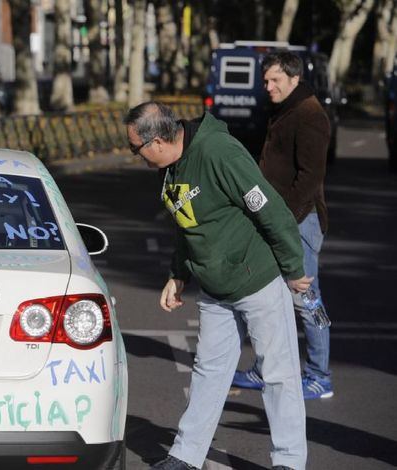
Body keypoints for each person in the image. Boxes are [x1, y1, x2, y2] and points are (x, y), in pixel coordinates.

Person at [124, 102, 310, 470]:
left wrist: (292, 268)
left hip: (255, 278)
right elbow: (185, 222)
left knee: (277, 373)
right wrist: (178, 274)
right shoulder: (173, 166)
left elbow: (269, 208)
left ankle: (289, 461)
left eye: (135, 149)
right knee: (208, 371)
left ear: (158, 140)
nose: (135, 156)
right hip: (215, 287)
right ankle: (186, 455)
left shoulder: (219, 152)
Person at [232, 51, 334, 400]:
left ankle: (320, 375)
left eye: (275, 80)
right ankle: (266, 368)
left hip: (299, 222)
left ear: (294, 78)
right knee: (272, 297)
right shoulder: (288, 109)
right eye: (265, 81)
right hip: (281, 220)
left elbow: (310, 178)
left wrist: (282, 219)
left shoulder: (309, 115)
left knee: (308, 299)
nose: (268, 87)